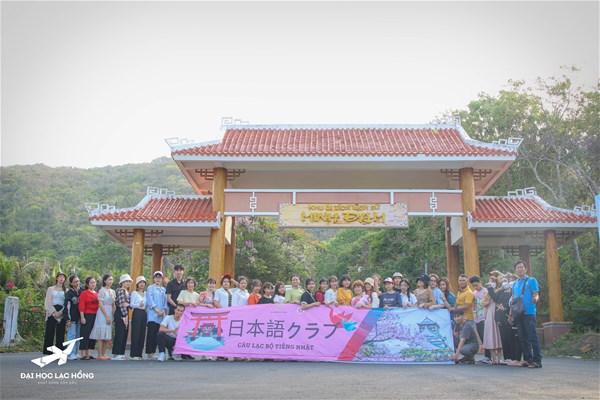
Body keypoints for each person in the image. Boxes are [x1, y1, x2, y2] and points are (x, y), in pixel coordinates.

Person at [511, 260, 542, 368]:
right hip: (518, 314)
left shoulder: (531, 280)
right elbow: (513, 300)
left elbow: (536, 293)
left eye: (521, 267)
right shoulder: (514, 284)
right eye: (517, 268)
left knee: (532, 337)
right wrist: (511, 315)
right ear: (515, 270)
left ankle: (537, 361)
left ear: (526, 269)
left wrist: (535, 299)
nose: (519, 269)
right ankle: (528, 359)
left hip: (529, 312)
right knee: (522, 337)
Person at [488, 273, 518, 363]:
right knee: (504, 338)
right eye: (503, 281)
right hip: (502, 319)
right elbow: (495, 297)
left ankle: (514, 358)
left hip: (512, 317)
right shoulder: (501, 292)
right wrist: (490, 287)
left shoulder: (514, 292)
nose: (504, 282)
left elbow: (514, 303)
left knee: (513, 339)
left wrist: (505, 308)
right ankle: (507, 357)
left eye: (506, 281)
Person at [90, 274, 115, 360]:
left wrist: (113, 314)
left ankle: (104, 354)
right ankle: (99, 354)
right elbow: (100, 304)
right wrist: (106, 315)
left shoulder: (113, 291)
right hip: (102, 312)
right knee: (101, 333)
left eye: (111, 279)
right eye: (109, 280)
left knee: (107, 334)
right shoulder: (102, 290)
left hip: (110, 311)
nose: (110, 281)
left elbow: (113, 304)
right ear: (105, 281)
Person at [43, 272, 68, 355]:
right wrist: (54, 312)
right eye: (60, 277)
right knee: (50, 331)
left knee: (60, 332)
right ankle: (48, 349)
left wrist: (61, 312)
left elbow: (67, 303)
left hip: (62, 311)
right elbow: (47, 302)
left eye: (63, 277)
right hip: (52, 310)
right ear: (57, 278)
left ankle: (59, 349)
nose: (61, 278)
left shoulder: (66, 290)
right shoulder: (51, 289)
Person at [146, 271, 168, 360]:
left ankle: (156, 352)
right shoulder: (150, 288)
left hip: (162, 316)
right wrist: (157, 310)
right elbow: (150, 300)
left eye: (160, 277)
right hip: (153, 314)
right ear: (153, 278)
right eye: (156, 277)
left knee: (158, 334)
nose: (158, 279)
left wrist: (163, 310)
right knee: (151, 333)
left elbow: (166, 302)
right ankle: (150, 353)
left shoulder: (164, 290)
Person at [482, 275, 503, 364]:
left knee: (499, 335)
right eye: (490, 281)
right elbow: (484, 303)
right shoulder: (487, 292)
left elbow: (499, 299)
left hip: (498, 311)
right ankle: (494, 358)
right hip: (490, 312)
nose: (492, 283)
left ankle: (500, 358)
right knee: (490, 334)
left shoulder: (500, 290)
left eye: (493, 281)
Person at [470, 275, 490, 363]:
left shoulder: (485, 291)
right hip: (477, 317)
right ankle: (486, 355)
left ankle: (489, 356)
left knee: (486, 336)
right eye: (473, 286)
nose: (475, 287)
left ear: (480, 282)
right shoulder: (474, 293)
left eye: (476, 285)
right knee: (482, 336)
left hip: (484, 317)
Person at [112, 274, 132, 361]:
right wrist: (124, 316)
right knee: (119, 334)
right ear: (122, 282)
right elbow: (122, 304)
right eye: (126, 281)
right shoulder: (121, 291)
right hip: (121, 314)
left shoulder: (127, 292)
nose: (128, 283)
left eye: (129, 281)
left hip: (126, 314)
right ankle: (116, 353)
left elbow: (129, 305)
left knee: (124, 334)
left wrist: (128, 305)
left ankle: (121, 353)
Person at [78, 276, 99, 360]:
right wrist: (82, 317)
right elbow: (81, 305)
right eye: (91, 282)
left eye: (94, 282)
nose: (93, 284)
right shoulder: (84, 293)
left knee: (92, 334)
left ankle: (89, 353)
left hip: (95, 315)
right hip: (87, 315)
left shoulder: (96, 293)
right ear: (87, 284)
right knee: (85, 334)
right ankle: (83, 354)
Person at [64, 274, 82, 360]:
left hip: (80, 317)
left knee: (78, 335)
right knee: (72, 335)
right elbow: (66, 307)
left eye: (78, 281)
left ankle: (76, 352)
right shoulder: (69, 293)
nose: (77, 283)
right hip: (72, 318)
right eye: (75, 282)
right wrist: (67, 319)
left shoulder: (82, 291)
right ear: (71, 283)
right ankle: (70, 353)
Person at [129, 276, 147, 360]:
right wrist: (138, 305)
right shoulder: (134, 293)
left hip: (144, 313)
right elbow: (131, 304)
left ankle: (140, 354)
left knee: (142, 333)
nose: (142, 284)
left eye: (143, 282)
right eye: (140, 282)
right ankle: (134, 354)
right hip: (137, 312)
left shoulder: (146, 293)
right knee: (136, 333)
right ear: (137, 284)